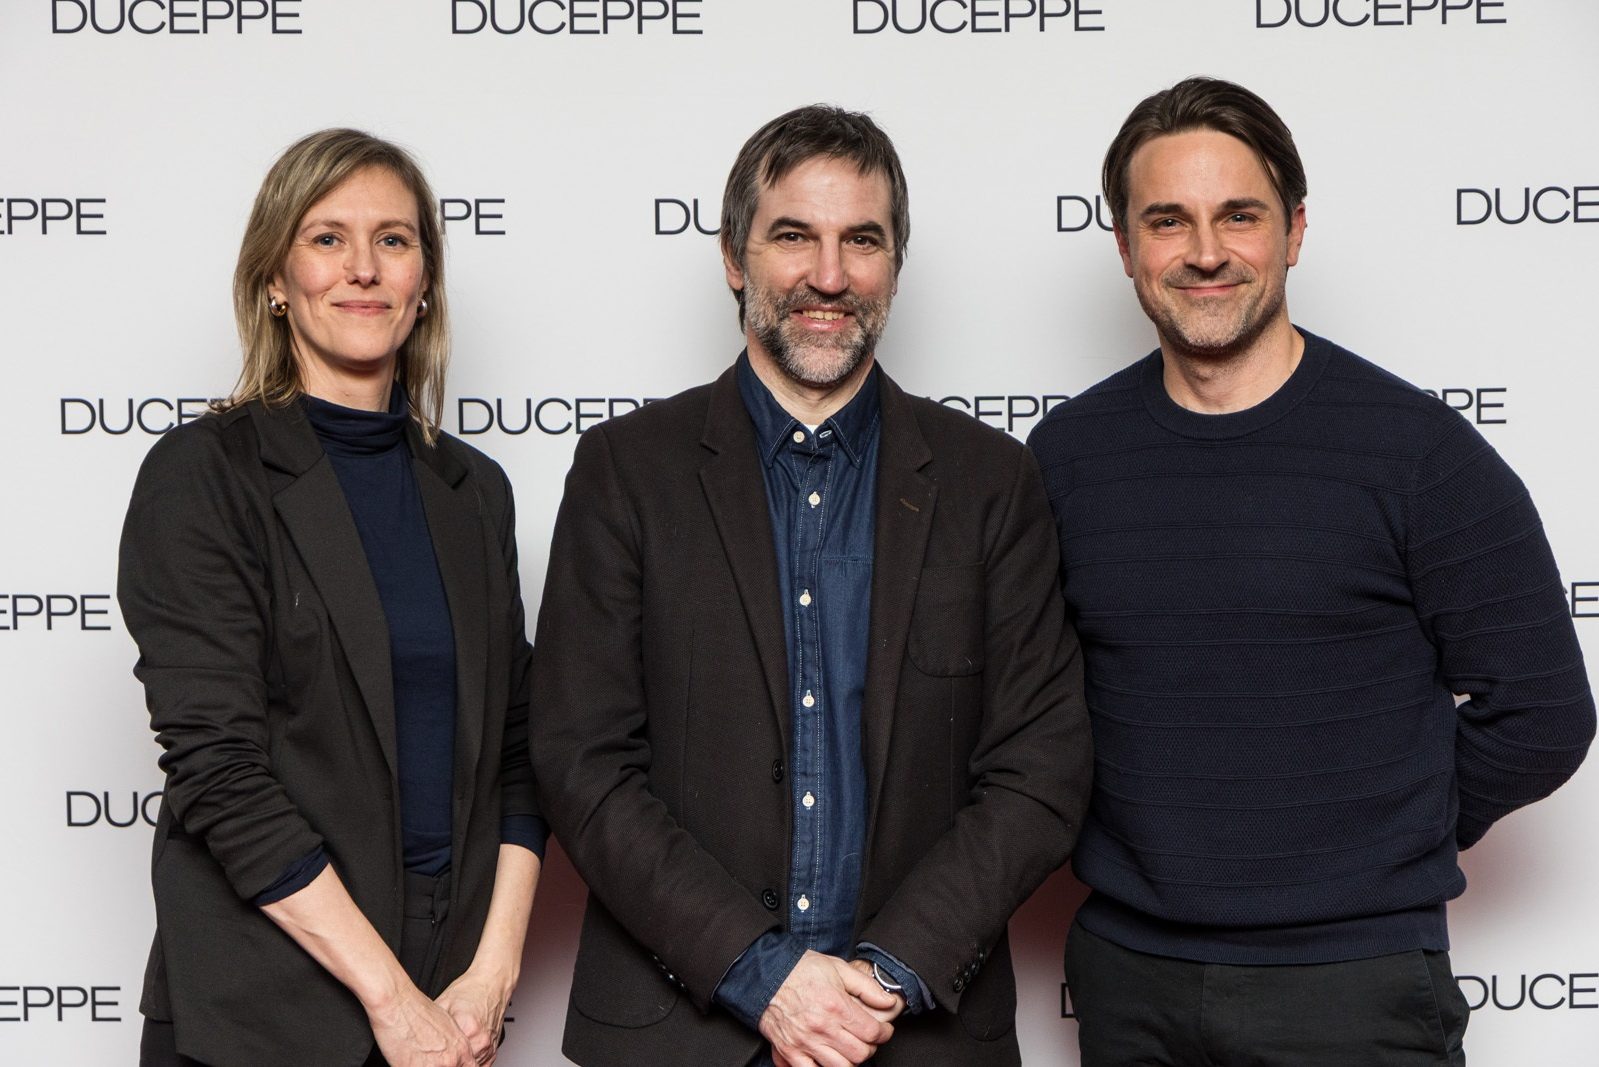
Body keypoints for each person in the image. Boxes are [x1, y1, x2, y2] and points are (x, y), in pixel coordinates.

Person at [1028, 76, 1596, 1067]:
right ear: (1123, 245)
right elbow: (1034, 706)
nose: (1206, 251)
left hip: (1354, 984)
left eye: (1238, 215)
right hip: (1128, 978)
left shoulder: (1417, 452)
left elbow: (1544, 711)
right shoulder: (1068, 456)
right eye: (1168, 220)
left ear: (1292, 230)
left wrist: (1383, 835)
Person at [528, 104, 1092, 1067]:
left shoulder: (991, 481)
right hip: (680, 1034)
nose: (828, 276)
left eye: (861, 241)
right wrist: (762, 974)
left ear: (895, 265)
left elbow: (1042, 765)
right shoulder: (626, 470)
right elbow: (581, 759)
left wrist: (883, 975)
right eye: (793, 236)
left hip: (910, 1028)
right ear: (732, 256)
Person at [119, 129, 545, 1067]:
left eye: (393, 240)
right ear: (276, 278)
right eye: (326, 238)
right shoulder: (203, 475)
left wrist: (491, 972)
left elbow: (519, 751)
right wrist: (389, 999)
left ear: (423, 282)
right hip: (262, 1006)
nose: (363, 268)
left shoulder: (474, 491)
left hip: (449, 999)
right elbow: (219, 771)